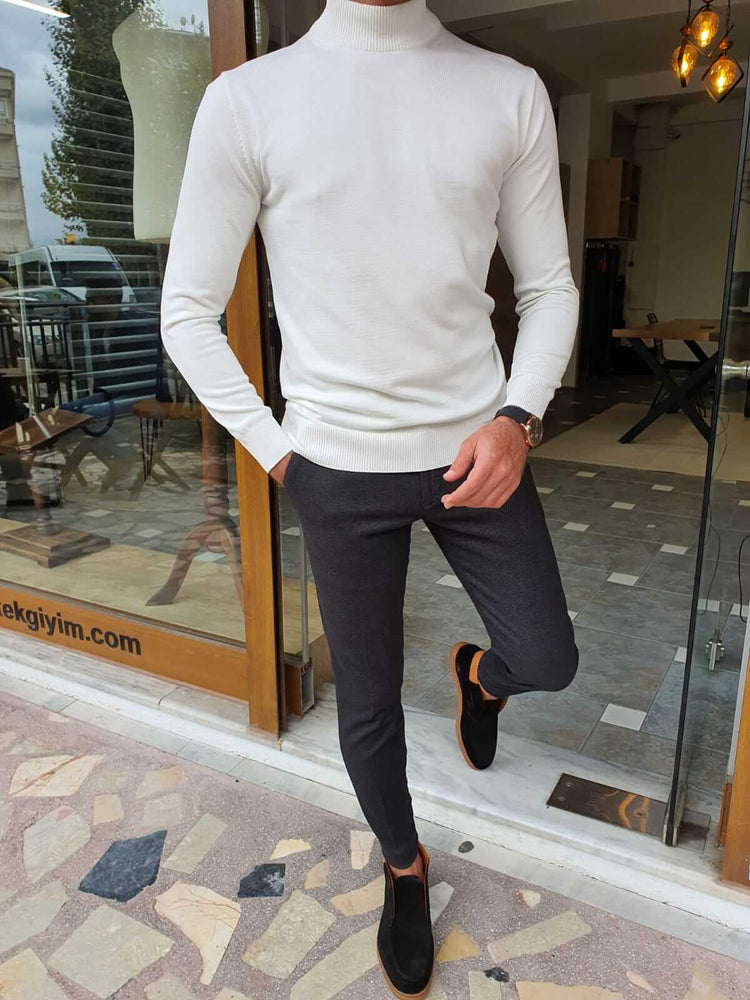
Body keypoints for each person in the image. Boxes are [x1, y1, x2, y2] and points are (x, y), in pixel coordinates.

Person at [160, 1, 580, 995]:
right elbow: (187, 310)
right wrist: (280, 454)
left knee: (548, 655)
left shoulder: (508, 92)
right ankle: (404, 866)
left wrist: (519, 415)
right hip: (335, 468)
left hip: (480, 449)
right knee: (369, 703)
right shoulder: (248, 101)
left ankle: (482, 679)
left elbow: (551, 287)